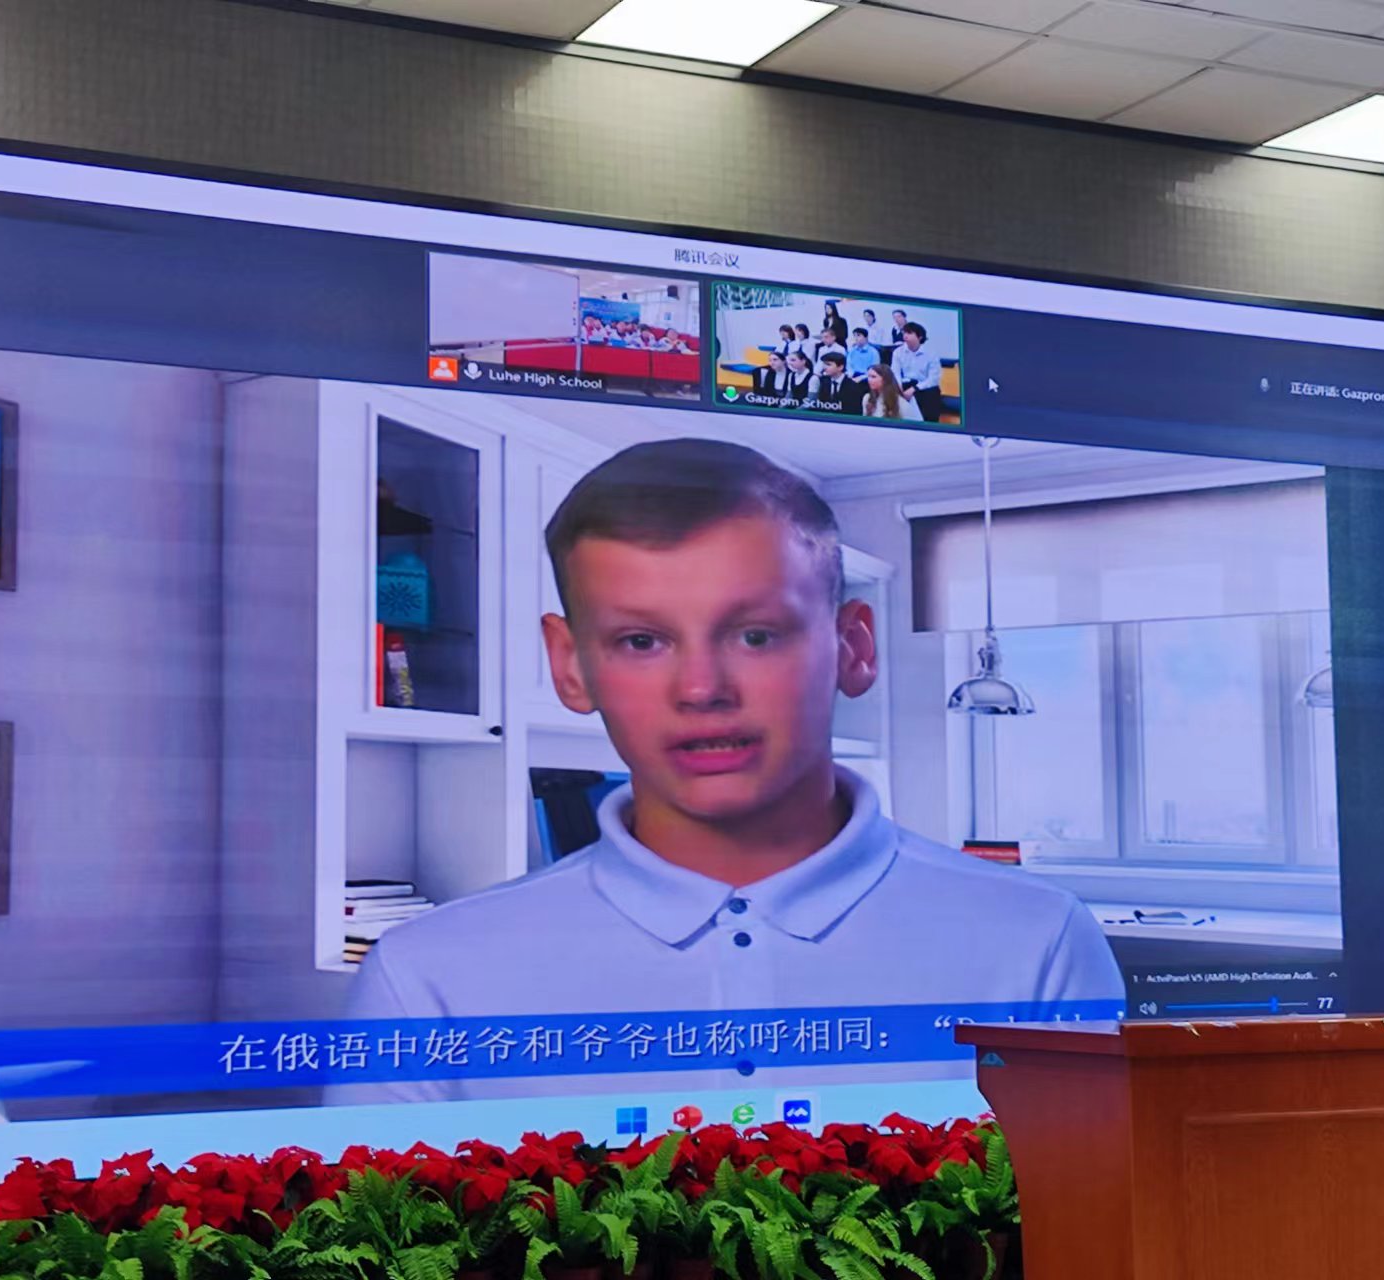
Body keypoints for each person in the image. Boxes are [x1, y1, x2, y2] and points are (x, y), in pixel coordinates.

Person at [334, 439, 1123, 1102]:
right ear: (570, 665)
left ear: (853, 647)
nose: (702, 690)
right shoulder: (424, 982)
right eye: (642, 641)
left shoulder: (1039, 945)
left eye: (755, 635)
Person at [891, 321, 943, 423]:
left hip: (924, 386)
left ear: (920, 337)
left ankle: (929, 426)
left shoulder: (931, 354)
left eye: (909, 333)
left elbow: (933, 379)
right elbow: (895, 372)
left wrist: (915, 389)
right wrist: (898, 387)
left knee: (932, 394)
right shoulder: (898, 352)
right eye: (904, 333)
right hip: (905, 384)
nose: (905, 336)